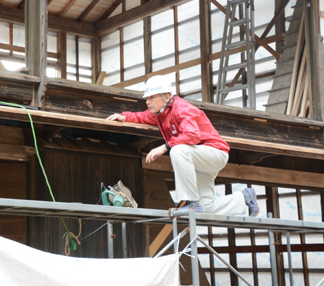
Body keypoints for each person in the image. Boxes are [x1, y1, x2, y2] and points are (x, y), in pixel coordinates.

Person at [106, 75, 259, 216]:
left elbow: (192, 135)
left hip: (214, 153)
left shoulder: (182, 109)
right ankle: (244, 198)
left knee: (178, 150)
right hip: (198, 160)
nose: (147, 101)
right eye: (147, 98)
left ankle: (190, 201)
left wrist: (163, 147)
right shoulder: (161, 113)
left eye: (152, 97)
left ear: (166, 96)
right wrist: (125, 116)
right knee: (206, 208)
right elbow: (142, 116)